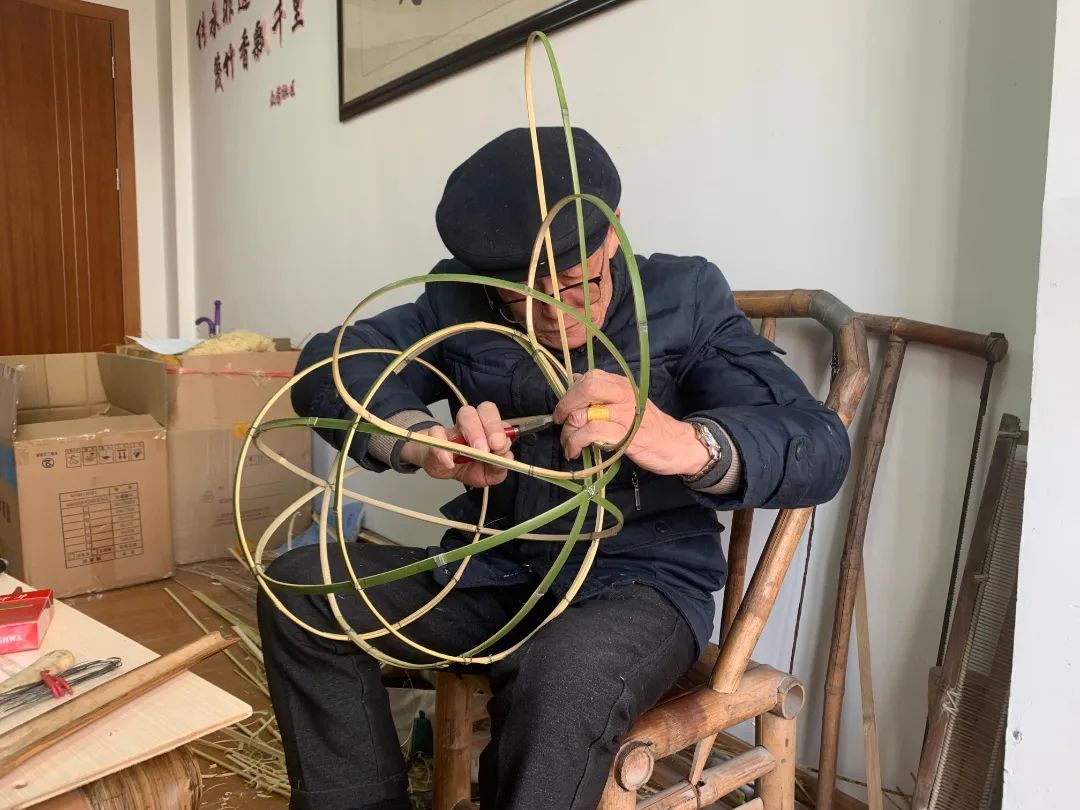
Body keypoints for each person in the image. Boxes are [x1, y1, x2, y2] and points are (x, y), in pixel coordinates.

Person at [258, 127, 851, 810]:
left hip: (639, 586)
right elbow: (332, 365)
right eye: (524, 296)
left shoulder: (683, 296)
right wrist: (419, 439)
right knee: (303, 590)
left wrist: (683, 440)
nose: (556, 312)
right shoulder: (460, 299)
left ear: (613, 231)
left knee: (561, 679)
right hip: (496, 570)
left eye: (577, 282)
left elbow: (819, 444)